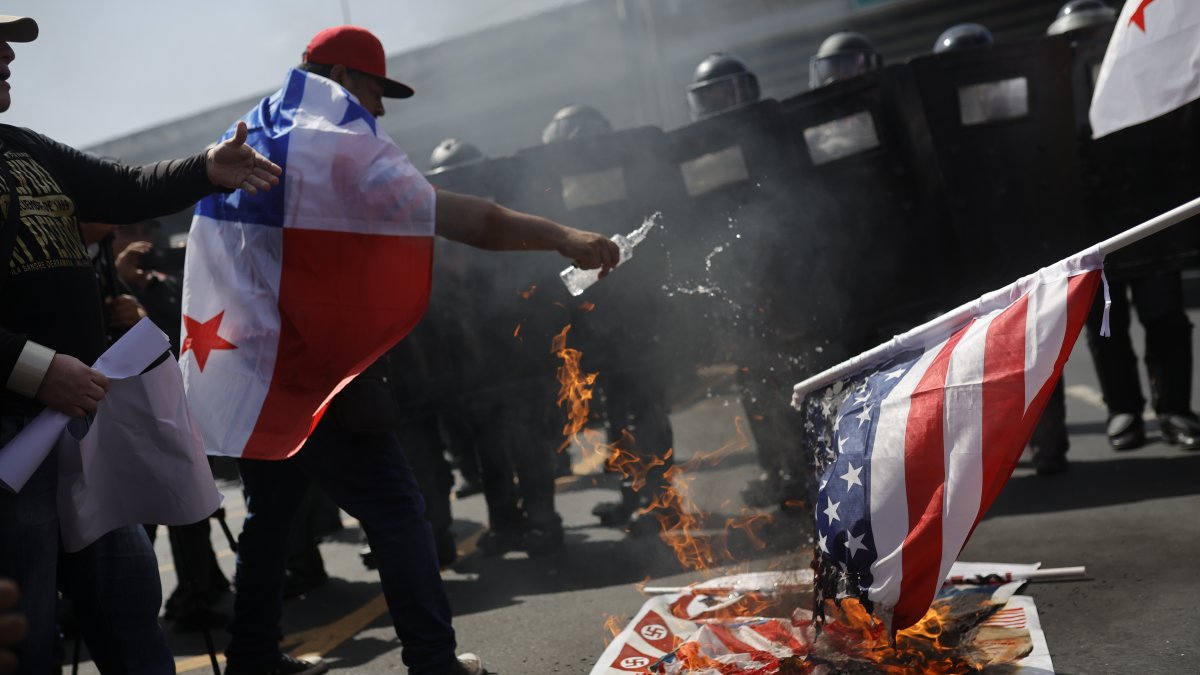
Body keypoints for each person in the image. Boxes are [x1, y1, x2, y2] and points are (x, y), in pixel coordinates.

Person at [210, 26, 619, 675]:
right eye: (375, 90)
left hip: (249, 364)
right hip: (311, 370)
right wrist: (560, 235)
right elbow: (461, 218)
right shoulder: (334, 146)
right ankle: (432, 661)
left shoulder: (256, 131)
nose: (378, 110)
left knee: (270, 512)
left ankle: (253, 656)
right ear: (344, 79)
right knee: (396, 507)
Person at [0, 13, 281, 675]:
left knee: (130, 613)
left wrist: (210, 167)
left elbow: (123, 185)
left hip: (80, 424)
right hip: (12, 437)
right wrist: (32, 368)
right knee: (26, 639)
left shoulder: (23, 145)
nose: (8, 55)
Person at [808, 31, 883, 90]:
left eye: (847, 70)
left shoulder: (884, 100)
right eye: (834, 70)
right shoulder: (822, 107)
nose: (836, 81)